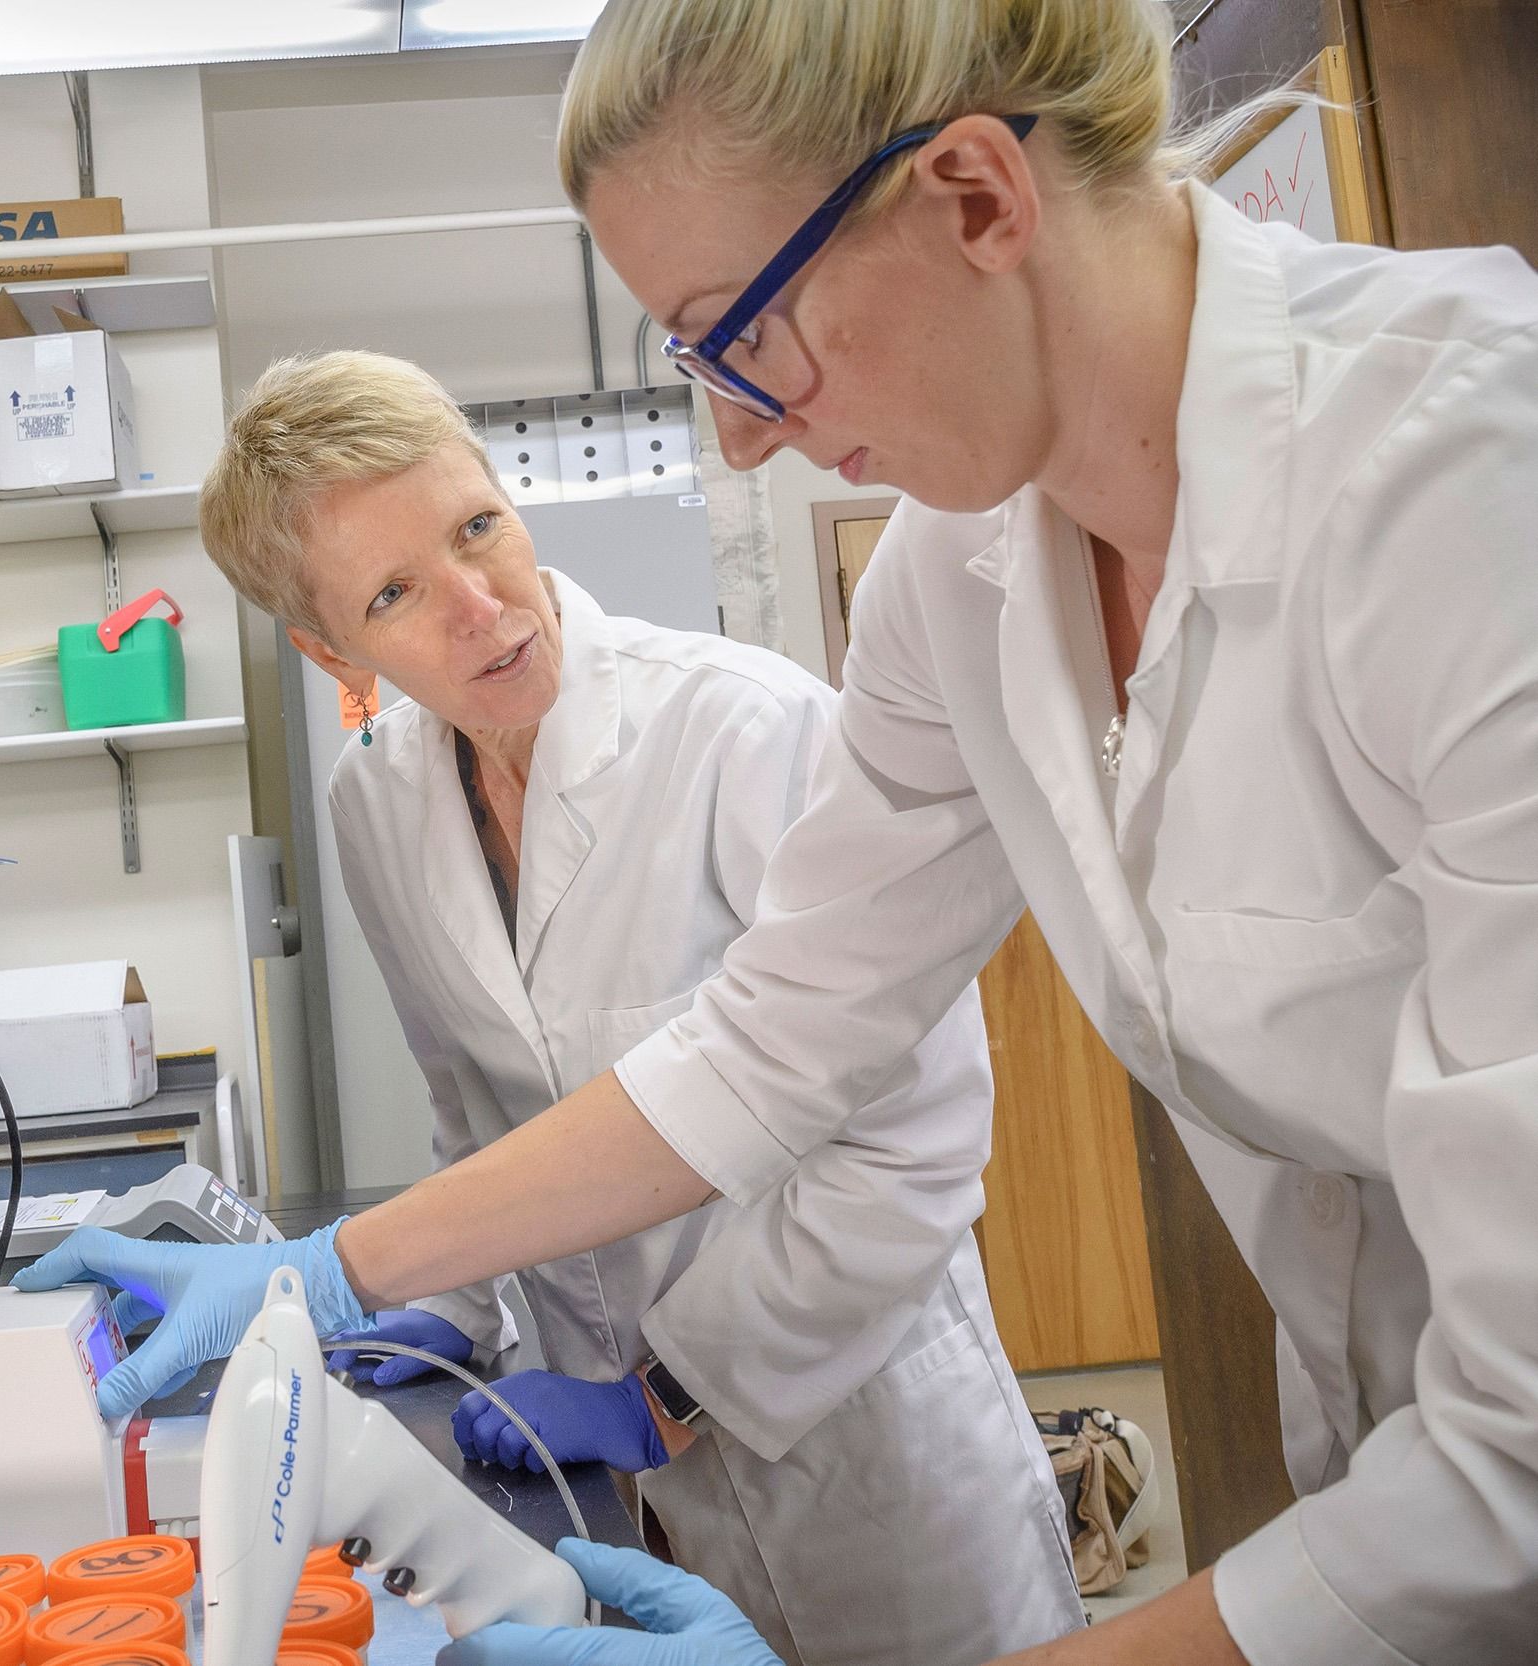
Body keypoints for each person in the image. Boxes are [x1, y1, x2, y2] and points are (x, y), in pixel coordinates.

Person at [18, 0, 1538, 1660]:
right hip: (1377, 1500)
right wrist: (336, 1270)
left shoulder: (1467, 486)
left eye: (743, 330)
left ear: (974, 196)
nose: (738, 430)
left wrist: (654, 1386)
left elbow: (1518, 1457)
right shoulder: (961, 577)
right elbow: (771, 1043)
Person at [191, 349, 1082, 1665]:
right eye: (394, 592)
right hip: (614, 1485)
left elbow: (917, 1135)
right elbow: (470, 1104)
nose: (480, 604)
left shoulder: (744, 730)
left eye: (477, 527)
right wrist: (457, 1304)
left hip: (864, 1440)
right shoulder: (376, 807)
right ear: (333, 648)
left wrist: (669, 1392)